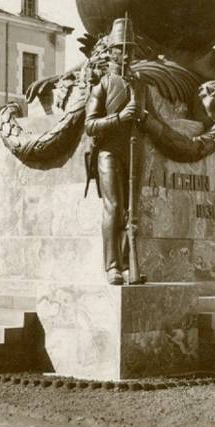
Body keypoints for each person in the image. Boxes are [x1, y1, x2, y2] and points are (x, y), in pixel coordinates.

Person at [84, 18, 144, 285]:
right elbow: (90, 125)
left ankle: (129, 263)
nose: (127, 54)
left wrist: (143, 117)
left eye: (130, 48)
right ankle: (112, 266)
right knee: (115, 207)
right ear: (111, 51)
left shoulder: (139, 83)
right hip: (108, 152)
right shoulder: (103, 84)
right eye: (122, 48)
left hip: (133, 151)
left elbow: (149, 118)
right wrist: (120, 118)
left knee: (132, 210)